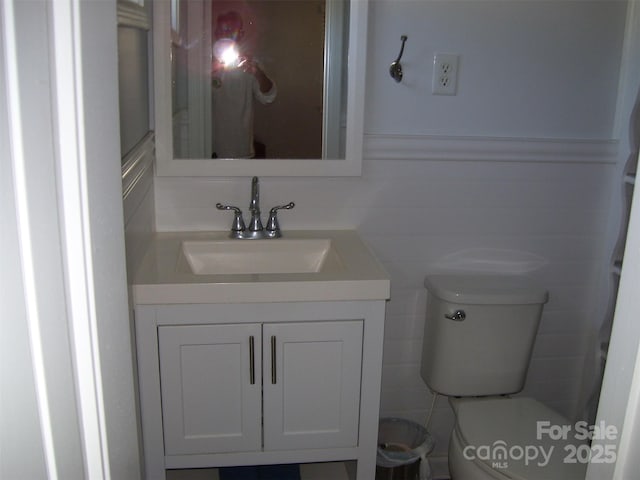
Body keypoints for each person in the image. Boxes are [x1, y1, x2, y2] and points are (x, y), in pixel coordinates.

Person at [211, 11, 276, 158]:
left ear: (240, 34)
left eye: (229, 31)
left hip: (241, 151)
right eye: (220, 31)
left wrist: (257, 73)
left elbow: (269, 97)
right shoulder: (205, 65)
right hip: (209, 149)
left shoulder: (251, 66)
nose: (223, 35)